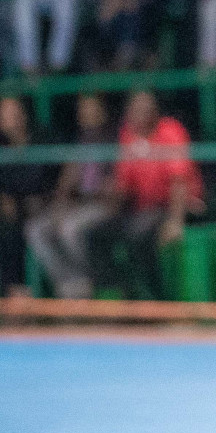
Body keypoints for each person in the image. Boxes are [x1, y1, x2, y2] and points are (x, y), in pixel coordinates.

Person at [90, 91, 204, 301]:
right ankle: (123, 289)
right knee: (96, 233)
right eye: (136, 108)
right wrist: (109, 200)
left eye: (147, 108)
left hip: (175, 206)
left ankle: (155, 300)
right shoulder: (128, 135)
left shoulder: (170, 131)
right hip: (141, 209)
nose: (141, 113)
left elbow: (179, 182)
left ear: (155, 111)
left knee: (139, 235)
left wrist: (175, 222)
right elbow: (123, 186)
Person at [26, 94, 115, 300]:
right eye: (83, 110)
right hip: (78, 206)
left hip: (104, 206)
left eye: (92, 109)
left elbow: (115, 187)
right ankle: (69, 283)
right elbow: (66, 184)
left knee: (70, 228)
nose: (87, 114)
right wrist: (59, 204)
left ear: (103, 112)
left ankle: (88, 284)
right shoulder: (80, 144)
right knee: (36, 229)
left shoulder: (114, 141)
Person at [0, 98, 54, 297]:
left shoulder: (41, 138)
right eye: (6, 114)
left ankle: (25, 291)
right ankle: (11, 291)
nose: (12, 118)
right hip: (12, 210)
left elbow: (54, 177)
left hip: (42, 204)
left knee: (28, 230)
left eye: (15, 112)